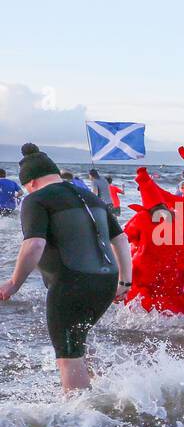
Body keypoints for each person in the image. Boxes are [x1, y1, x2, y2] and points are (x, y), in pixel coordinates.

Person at [0, 144, 132, 393]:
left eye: (27, 186)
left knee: (67, 352)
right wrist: (125, 281)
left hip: (72, 283)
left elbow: (34, 244)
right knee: (78, 339)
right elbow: (121, 239)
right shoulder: (91, 197)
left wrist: (13, 283)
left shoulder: (36, 199)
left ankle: (79, 419)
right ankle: (111, 394)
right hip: (107, 281)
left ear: (32, 182)